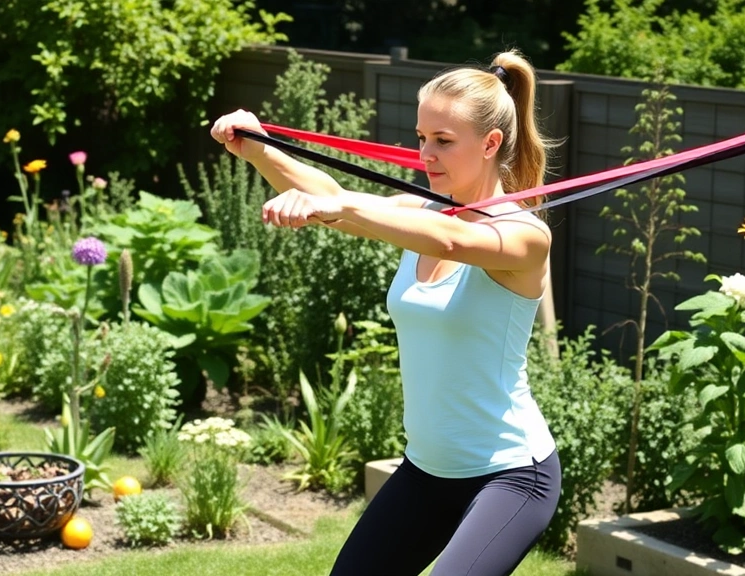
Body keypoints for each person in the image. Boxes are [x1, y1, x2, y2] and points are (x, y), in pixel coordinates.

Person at [210, 49, 561, 576]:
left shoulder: (524, 236)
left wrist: (342, 209)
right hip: (428, 470)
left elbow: (450, 239)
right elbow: (332, 195)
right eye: (421, 138)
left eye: (443, 141)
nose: (426, 155)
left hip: (510, 475)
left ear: (491, 143)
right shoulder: (423, 212)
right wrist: (257, 147)